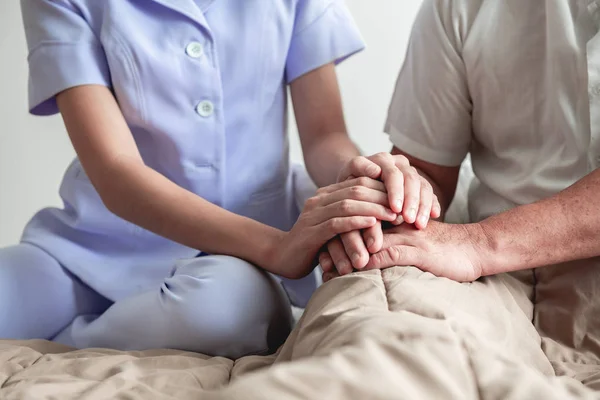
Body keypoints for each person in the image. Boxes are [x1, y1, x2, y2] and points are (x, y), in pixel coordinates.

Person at [0, 0, 441, 359]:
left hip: (239, 265)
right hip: (91, 248)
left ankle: (69, 344)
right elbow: (116, 172)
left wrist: (362, 176)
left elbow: (326, 138)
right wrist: (278, 248)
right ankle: (102, 329)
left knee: (228, 309)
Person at [322, 0, 600, 387]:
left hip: (495, 250)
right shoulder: (457, 7)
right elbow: (428, 169)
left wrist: (479, 243)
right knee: (372, 309)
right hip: (496, 273)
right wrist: (394, 198)